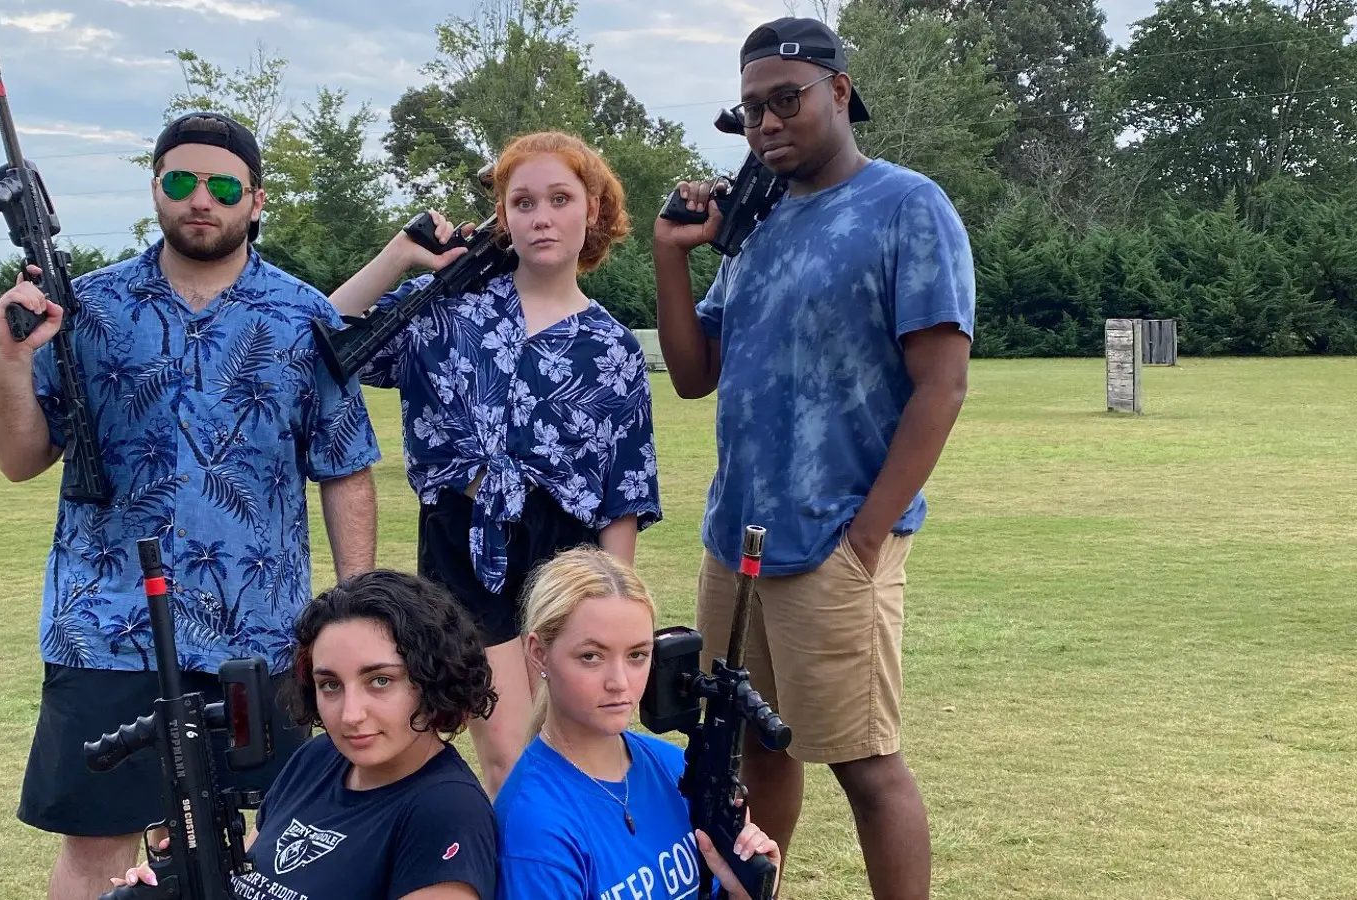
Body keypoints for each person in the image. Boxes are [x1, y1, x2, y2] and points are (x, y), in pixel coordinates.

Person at [0, 110, 382, 900]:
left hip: (258, 633)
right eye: (181, 181)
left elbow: (344, 468)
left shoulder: (304, 317)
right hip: (104, 628)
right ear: (157, 190)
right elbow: (19, 459)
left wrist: (350, 608)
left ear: (255, 200)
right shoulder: (83, 309)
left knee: (278, 850)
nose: (202, 199)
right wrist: (8, 361)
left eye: (224, 184)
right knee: (99, 856)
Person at [652, 16, 976, 900]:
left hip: (835, 536)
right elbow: (692, 374)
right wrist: (669, 257)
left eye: (785, 100)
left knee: (866, 764)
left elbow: (940, 387)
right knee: (752, 741)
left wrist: (866, 538)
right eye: (751, 109)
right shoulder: (757, 228)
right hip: (737, 539)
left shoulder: (908, 205)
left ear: (839, 92)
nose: (766, 124)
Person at [327, 131, 663, 798]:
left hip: (563, 549)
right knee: (506, 747)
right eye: (524, 201)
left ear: (592, 210)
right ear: (501, 217)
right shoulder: (449, 310)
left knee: (565, 737)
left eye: (560, 199)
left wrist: (615, 602)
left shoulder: (612, 347)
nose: (542, 217)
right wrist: (401, 256)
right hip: (464, 532)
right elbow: (331, 334)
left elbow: (623, 492)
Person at [112, 569, 500, 900]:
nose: (350, 715)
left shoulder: (447, 812)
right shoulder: (319, 757)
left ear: (433, 680)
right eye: (330, 685)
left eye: (380, 681)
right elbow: (250, 877)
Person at [493, 546, 780, 899]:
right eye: (591, 656)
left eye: (636, 656)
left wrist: (744, 892)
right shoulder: (535, 829)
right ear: (540, 654)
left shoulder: (676, 770)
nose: (619, 681)